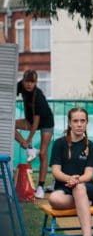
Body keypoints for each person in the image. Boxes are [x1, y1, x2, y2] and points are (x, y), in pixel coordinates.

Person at [49, 107, 93, 236]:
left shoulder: (90, 146)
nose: (79, 124)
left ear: (86, 122)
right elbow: (56, 171)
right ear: (69, 123)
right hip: (64, 187)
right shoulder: (59, 144)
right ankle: (85, 202)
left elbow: (88, 174)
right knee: (53, 199)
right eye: (75, 121)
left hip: (85, 186)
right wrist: (69, 178)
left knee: (79, 189)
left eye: (82, 121)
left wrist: (77, 180)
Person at [15, 69, 54, 199]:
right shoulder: (20, 85)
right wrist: (25, 143)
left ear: (36, 82)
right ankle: (30, 148)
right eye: (27, 81)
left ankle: (41, 187)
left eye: (32, 82)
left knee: (43, 153)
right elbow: (9, 95)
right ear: (23, 80)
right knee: (10, 125)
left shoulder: (39, 97)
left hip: (46, 122)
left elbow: (36, 124)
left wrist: (28, 139)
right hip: (30, 119)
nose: (29, 85)